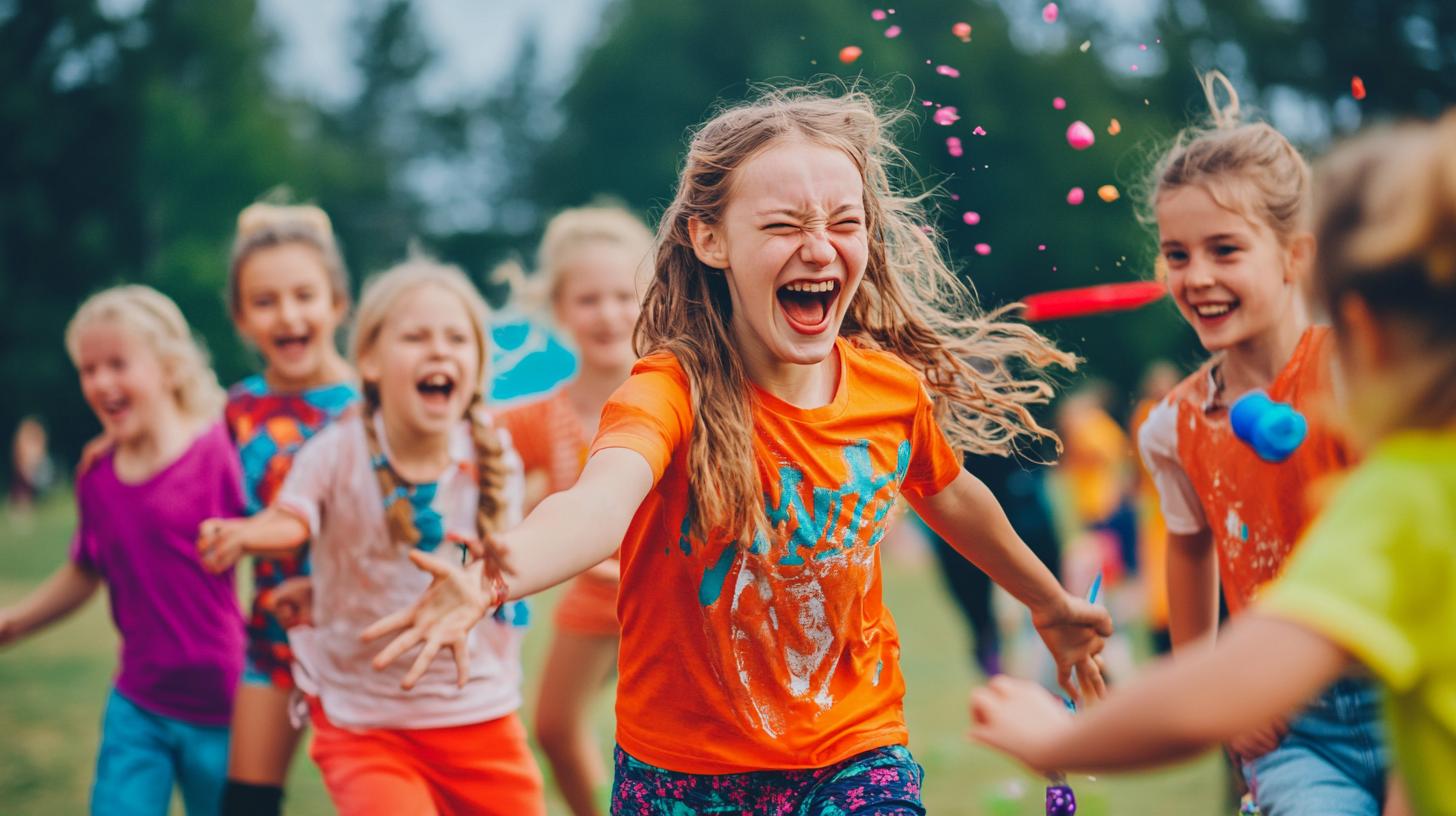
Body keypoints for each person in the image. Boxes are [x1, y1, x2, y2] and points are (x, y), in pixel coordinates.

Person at [365, 83, 1109, 815]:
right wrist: (493, 577)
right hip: (682, 773)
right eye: (784, 225)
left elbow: (949, 495)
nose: (819, 247)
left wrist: (1048, 602)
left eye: (843, 222)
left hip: (855, 750)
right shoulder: (668, 391)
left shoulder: (888, 391)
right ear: (709, 238)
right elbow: (596, 506)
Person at [971, 107, 1455, 816]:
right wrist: (1217, 687)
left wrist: (1061, 742)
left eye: (1226, 250)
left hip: (1390, 675)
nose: (1197, 275)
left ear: (1297, 257)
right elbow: (1190, 553)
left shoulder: (1362, 387)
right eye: (1177, 255)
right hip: (1294, 723)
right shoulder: (1171, 425)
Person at [197, 259, 544, 815]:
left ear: (477, 364)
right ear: (370, 360)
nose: (438, 351)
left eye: (457, 338)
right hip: (364, 722)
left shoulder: (493, 458)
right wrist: (247, 536)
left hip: (477, 715)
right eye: (416, 336)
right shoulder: (336, 450)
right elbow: (295, 521)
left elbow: (506, 568)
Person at [0, 286, 245, 815]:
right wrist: (15, 622)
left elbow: (278, 534)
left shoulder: (219, 453)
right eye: (89, 370)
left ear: (169, 368)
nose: (101, 382)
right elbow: (86, 570)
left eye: (118, 364)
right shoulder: (97, 477)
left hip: (223, 706)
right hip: (139, 702)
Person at [494, 204, 653, 816]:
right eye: (589, 300)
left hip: (676, 598)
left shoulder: (675, 395)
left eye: (623, 295)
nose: (609, 314)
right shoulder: (543, 416)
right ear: (560, 309)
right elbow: (462, 445)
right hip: (594, 598)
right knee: (555, 728)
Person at [218, 201, 360, 815]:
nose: (289, 314)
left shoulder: (372, 405)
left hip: (361, 637)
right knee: (246, 803)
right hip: (270, 638)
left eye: (305, 294)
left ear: (337, 302)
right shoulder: (234, 411)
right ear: (242, 317)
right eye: (266, 301)